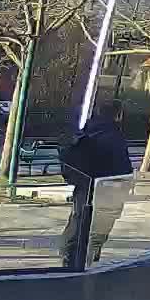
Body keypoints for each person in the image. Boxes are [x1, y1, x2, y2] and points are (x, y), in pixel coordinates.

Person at [59, 99, 134, 265]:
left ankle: (70, 255)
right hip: (108, 189)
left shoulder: (88, 130)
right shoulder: (113, 135)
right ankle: (87, 258)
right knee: (98, 227)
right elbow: (122, 166)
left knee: (79, 220)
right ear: (118, 115)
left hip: (85, 186)